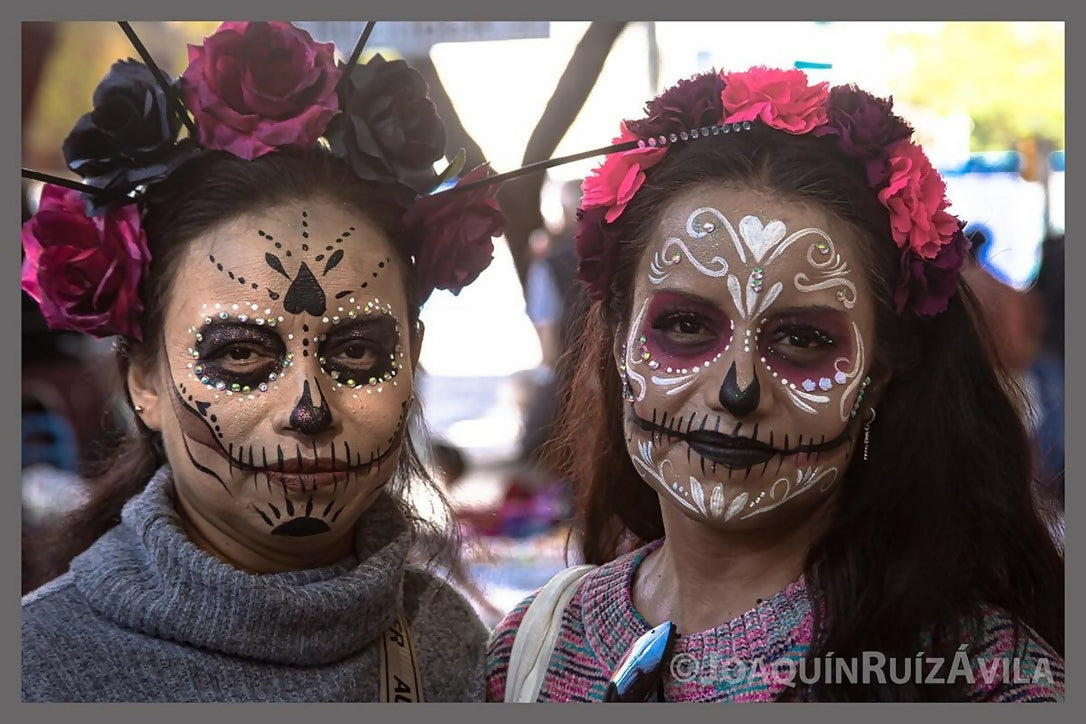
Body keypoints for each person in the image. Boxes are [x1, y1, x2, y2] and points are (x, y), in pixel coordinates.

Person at [486, 67, 1064, 702]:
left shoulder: (989, 683)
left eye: (803, 339)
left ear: (878, 378)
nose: (737, 389)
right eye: (685, 325)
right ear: (621, 340)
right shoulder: (529, 649)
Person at [21, 21, 507, 702]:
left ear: (413, 358)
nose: (309, 409)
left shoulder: (451, 645)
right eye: (241, 352)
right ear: (143, 379)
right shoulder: (37, 671)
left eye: (357, 350)